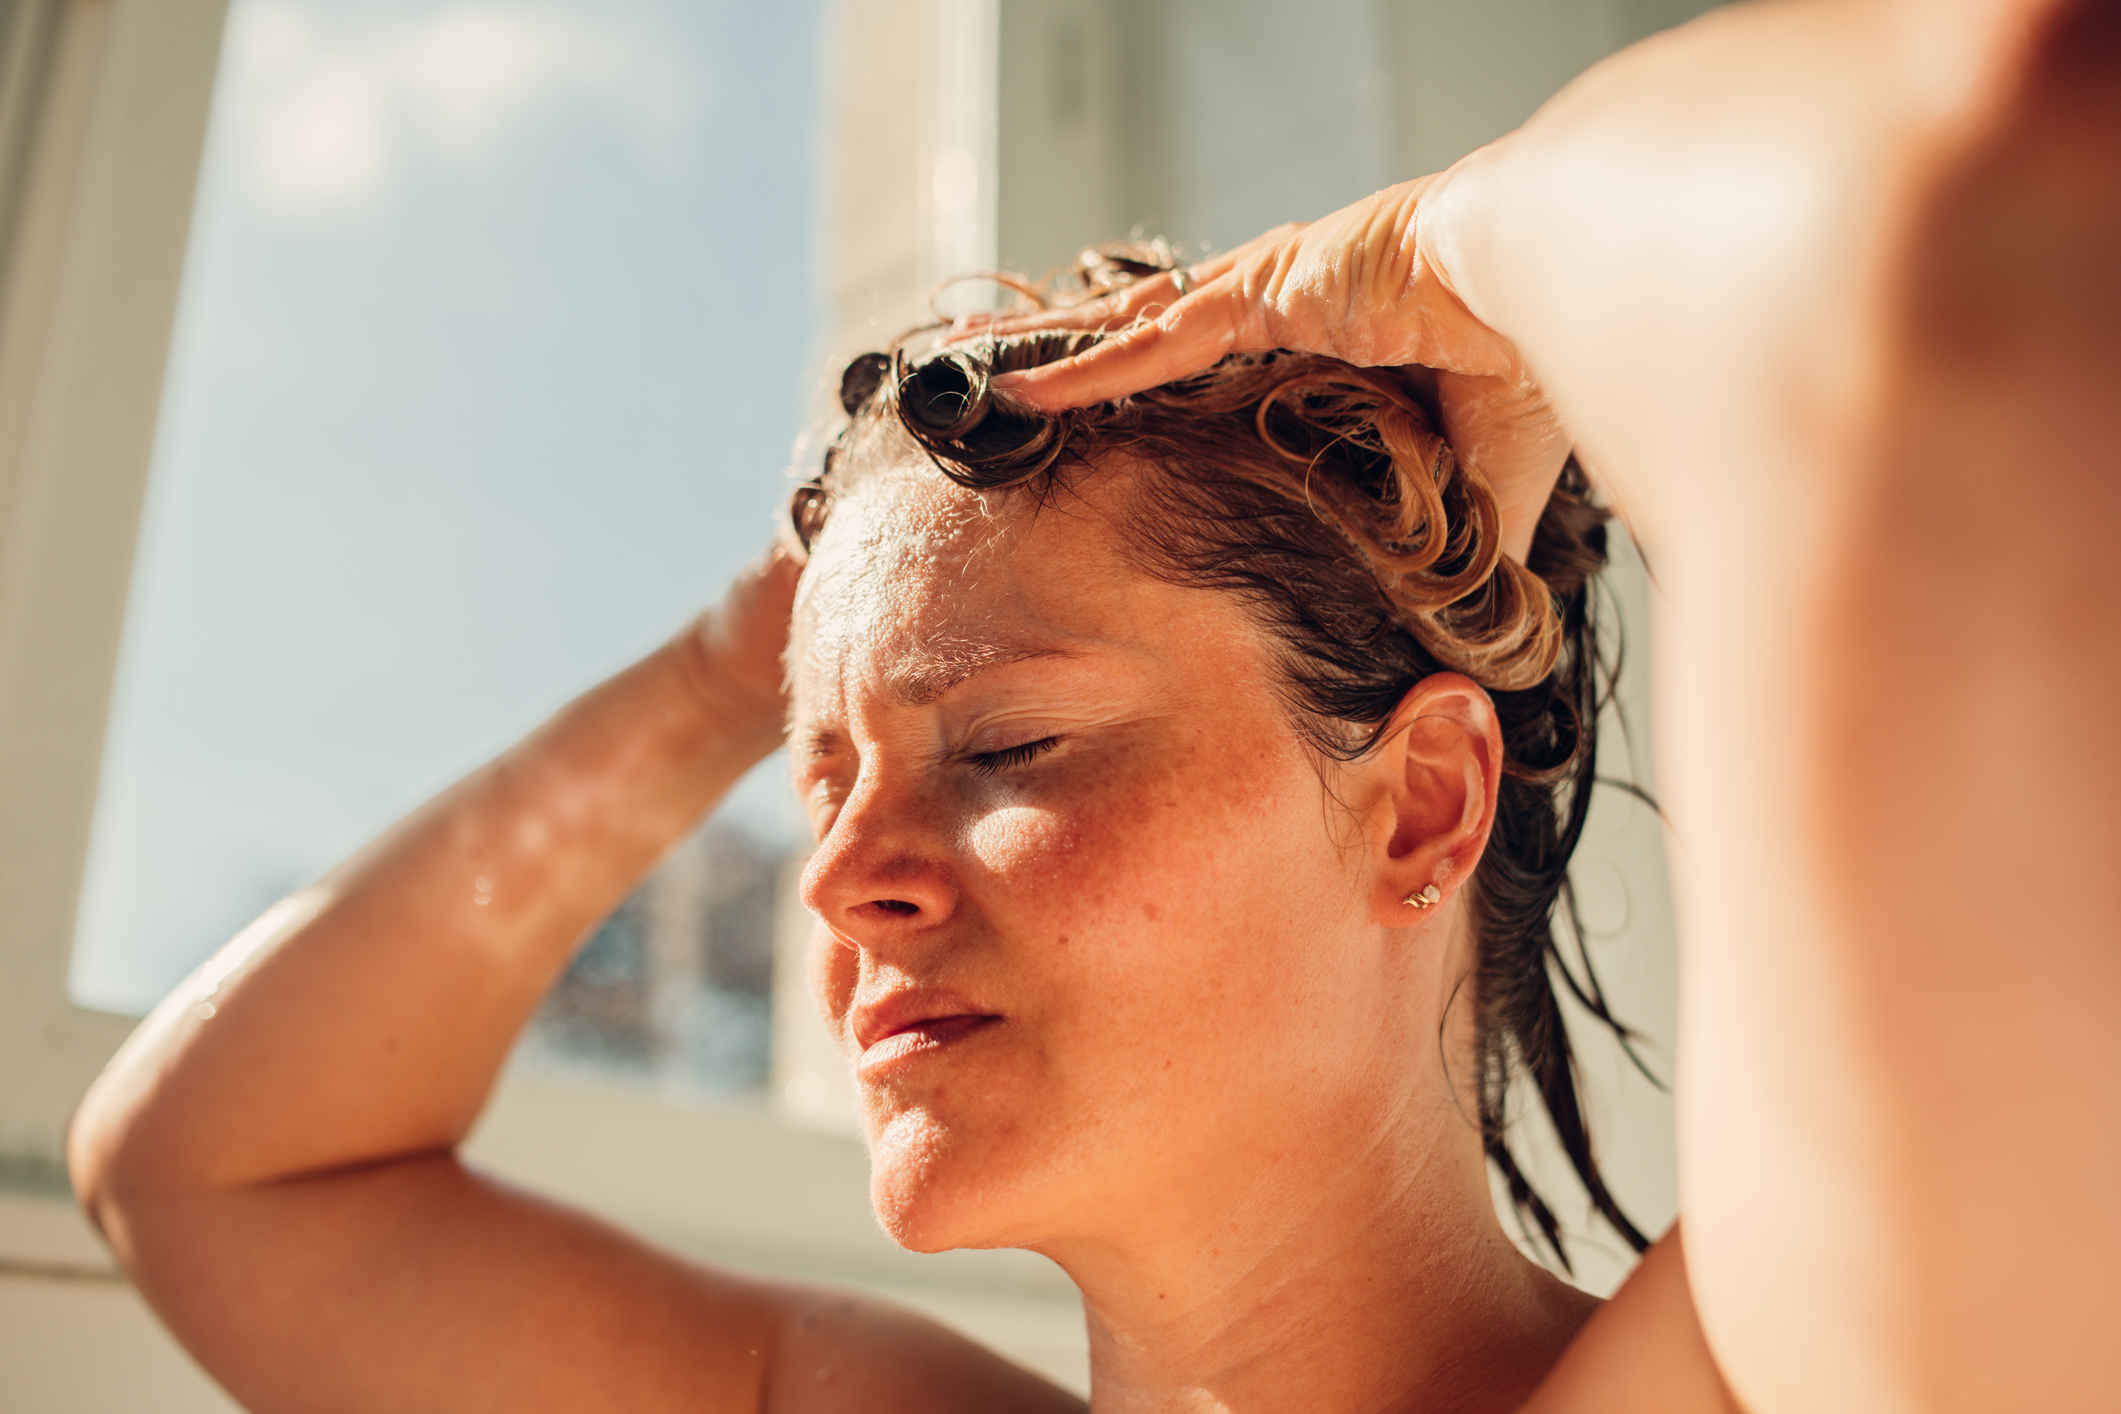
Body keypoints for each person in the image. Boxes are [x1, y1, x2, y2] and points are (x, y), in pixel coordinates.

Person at [67, 0, 2117, 1411]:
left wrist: (1458, 249)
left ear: (1415, 803)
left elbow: (1972, 212)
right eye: (819, 780)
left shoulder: (1758, 1368)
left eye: (1007, 747)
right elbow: (216, 1167)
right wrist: (767, 641)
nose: (842, 877)